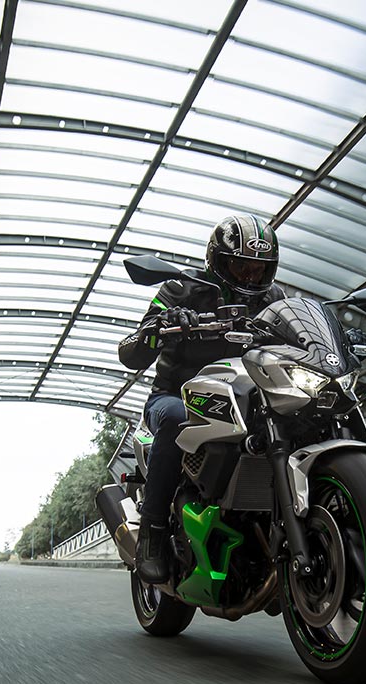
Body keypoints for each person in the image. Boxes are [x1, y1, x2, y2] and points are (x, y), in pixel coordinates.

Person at [118, 215, 285, 583]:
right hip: (178, 394)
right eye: (241, 267)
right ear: (217, 261)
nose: (249, 278)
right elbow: (130, 352)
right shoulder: (181, 289)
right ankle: (153, 535)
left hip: (249, 395)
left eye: (259, 271)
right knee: (179, 416)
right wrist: (161, 327)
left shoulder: (276, 299)